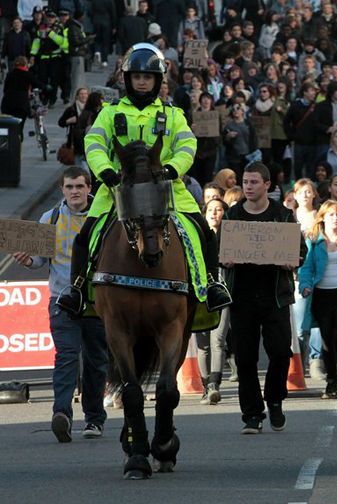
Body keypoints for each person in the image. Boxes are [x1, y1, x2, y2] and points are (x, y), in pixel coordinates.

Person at [55, 43, 232, 316]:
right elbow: (93, 143)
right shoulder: (110, 112)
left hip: (166, 189)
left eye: (147, 77)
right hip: (117, 190)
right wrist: (105, 172)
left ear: (157, 81)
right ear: (128, 79)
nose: (141, 82)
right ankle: (76, 289)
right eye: (136, 77)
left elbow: (187, 145)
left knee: (203, 231)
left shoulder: (173, 115)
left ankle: (210, 284)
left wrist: (173, 168)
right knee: (86, 235)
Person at [13, 168, 107, 441]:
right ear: (62, 190)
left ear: (90, 188)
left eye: (80, 185)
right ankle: (62, 414)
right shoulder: (50, 217)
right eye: (69, 187)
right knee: (66, 355)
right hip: (61, 298)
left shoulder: (102, 216)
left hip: (95, 300)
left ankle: (94, 419)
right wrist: (28, 261)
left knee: (95, 360)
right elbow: (39, 261)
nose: (75, 191)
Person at [223, 162, 298, 433]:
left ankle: (275, 399)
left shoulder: (283, 215)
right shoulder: (232, 216)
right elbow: (220, 252)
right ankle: (252, 414)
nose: (248, 187)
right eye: (245, 182)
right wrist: (225, 261)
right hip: (242, 298)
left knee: (280, 353)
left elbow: (299, 252)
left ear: (267, 185)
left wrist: (292, 261)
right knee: (245, 358)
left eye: (254, 182)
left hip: (275, 297)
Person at [299, 199, 337, 399]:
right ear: (322, 217)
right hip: (321, 294)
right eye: (331, 214)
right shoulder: (314, 241)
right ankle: (332, 381)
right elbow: (306, 267)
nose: (336, 218)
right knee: (326, 338)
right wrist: (305, 285)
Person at [196, 196, 230, 404]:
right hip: (200, 295)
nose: (214, 213)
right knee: (202, 345)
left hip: (223, 294)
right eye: (211, 209)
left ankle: (214, 385)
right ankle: (205, 385)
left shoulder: (231, 237)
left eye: (219, 209)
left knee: (218, 340)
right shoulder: (196, 235)